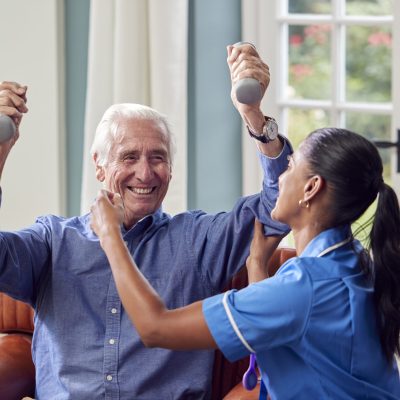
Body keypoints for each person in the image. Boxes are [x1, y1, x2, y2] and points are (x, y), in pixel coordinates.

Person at [0, 43, 292, 399]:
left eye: (158, 157)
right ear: (99, 165)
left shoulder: (197, 240)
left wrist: (255, 117)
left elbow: (281, 208)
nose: (145, 172)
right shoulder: (52, 241)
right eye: (129, 156)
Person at [90, 127, 400, 399]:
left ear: (311, 187)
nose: (281, 176)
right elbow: (291, 319)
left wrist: (111, 236)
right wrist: (256, 264)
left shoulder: (304, 286)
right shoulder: (352, 259)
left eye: (290, 166)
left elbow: (155, 328)